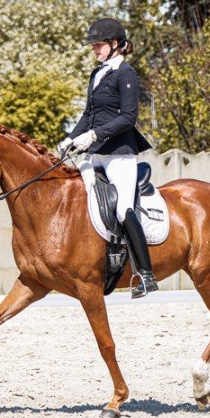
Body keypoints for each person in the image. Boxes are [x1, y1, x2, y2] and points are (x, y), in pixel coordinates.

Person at [59, 18, 158, 298]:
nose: (95, 50)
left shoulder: (126, 74)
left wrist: (93, 135)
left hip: (120, 156)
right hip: (96, 154)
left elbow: (128, 118)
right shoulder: (97, 74)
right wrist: (71, 137)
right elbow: (87, 115)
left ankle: (146, 274)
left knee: (123, 208)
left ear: (116, 45)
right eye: (93, 46)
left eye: (99, 45)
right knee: (78, 198)